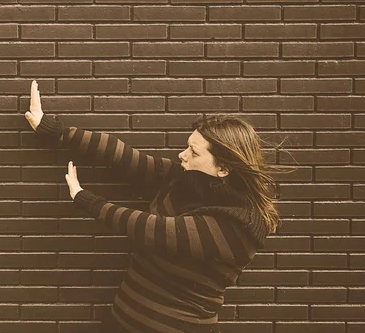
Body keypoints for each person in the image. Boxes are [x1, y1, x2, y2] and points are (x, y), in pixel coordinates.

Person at [24, 80, 291, 333]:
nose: (182, 155)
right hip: (121, 322)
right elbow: (125, 157)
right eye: (188, 147)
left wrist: (86, 200)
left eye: (194, 152)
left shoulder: (238, 226)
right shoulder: (184, 179)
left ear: (223, 168)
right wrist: (55, 131)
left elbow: (153, 229)